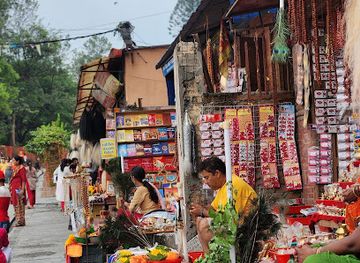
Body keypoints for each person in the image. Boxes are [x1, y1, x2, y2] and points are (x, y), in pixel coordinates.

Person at [189, 156, 257, 253]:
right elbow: (213, 209)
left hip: (245, 229)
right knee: (200, 220)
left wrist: (202, 211)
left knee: (204, 225)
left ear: (217, 173)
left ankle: (212, 256)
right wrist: (198, 210)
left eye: (207, 178)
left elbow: (228, 218)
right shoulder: (223, 186)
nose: (206, 182)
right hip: (233, 225)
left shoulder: (233, 185)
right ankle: (208, 256)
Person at [9, 156, 27, 227]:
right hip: (14, 188)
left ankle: (20, 221)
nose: (13, 161)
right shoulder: (15, 168)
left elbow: (23, 180)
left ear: (18, 161)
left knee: (19, 204)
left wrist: (22, 189)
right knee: (15, 204)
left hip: (19, 188)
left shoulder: (22, 168)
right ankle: (20, 221)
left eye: (14, 160)